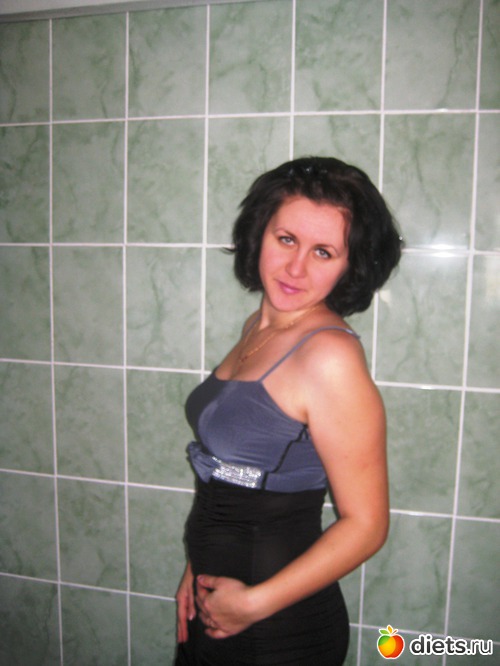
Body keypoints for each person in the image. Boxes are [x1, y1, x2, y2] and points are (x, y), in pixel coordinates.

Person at [175, 156, 403, 665]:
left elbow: (366, 524)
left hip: (276, 629)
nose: (296, 268)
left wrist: (252, 605)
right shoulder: (258, 327)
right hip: (218, 605)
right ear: (260, 234)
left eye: (323, 252)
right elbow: (234, 480)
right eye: (286, 239)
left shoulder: (329, 356)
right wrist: (196, 567)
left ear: (350, 264)